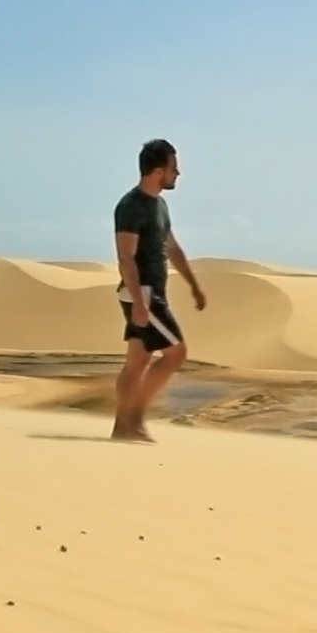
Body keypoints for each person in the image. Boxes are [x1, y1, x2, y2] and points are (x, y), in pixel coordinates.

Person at [111, 138, 207, 442]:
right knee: (177, 353)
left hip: (152, 294)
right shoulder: (131, 206)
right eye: (173, 168)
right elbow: (125, 256)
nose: (177, 174)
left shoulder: (159, 205)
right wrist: (140, 302)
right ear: (157, 170)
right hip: (145, 294)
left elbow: (172, 247)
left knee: (138, 360)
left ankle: (122, 426)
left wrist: (194, 285)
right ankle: (134, 415)